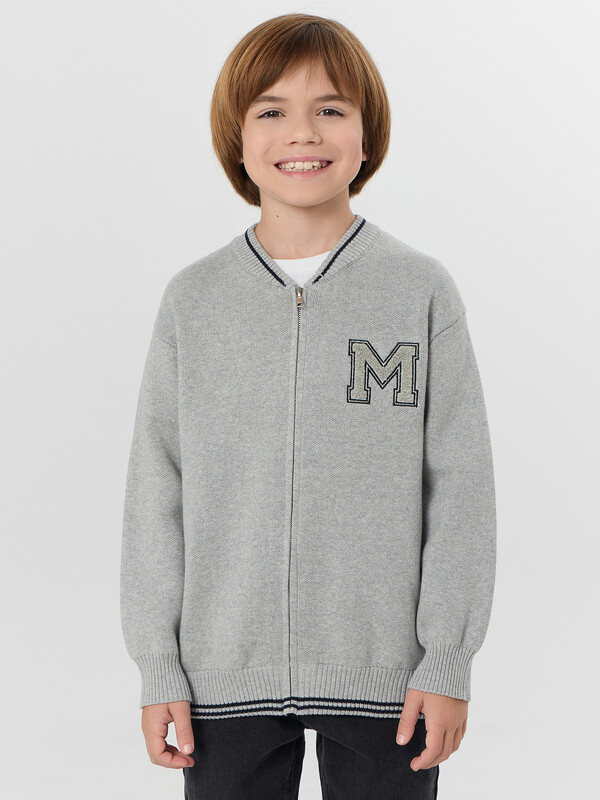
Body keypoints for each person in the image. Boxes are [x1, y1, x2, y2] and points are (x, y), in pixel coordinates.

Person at [120, 13, 497, 799]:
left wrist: (447, 659)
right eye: (271, 110)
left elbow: (461, 487)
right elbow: (156, 491)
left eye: (330, 108)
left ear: (367, 135)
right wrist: (159, 663)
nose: (303, 132)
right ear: (237, 139)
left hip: (390, 680)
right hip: (222, 678)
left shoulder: (419, 291)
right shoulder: (195, 301)